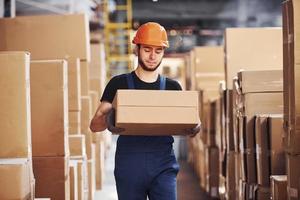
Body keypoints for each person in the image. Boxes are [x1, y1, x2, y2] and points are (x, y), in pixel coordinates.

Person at [90, 22, 201, 200]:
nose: (152, 56)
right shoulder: (118, 84)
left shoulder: (173, 88)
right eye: (147, 49)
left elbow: (190, 126)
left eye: (158, 51)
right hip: (129, 167)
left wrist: (195, 125)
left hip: (163, 165)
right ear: (137, 49)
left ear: (163, 53)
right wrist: (107, 116)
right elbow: (94, 127)